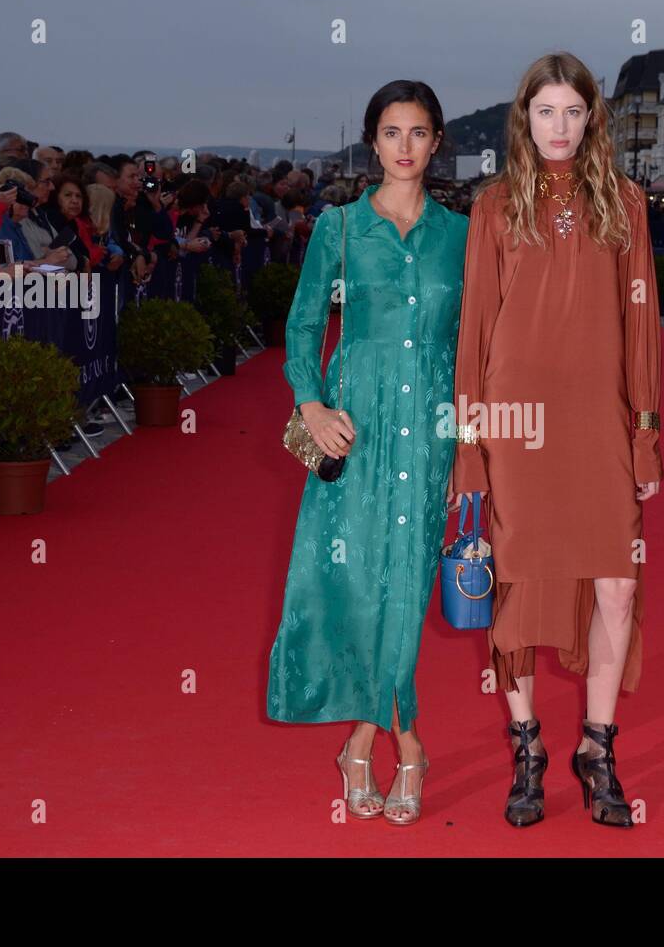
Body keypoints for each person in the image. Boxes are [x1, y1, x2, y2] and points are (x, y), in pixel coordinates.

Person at [452, 52, 663, 829]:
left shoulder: (628, 206)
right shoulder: (495, 207)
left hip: (599, 421)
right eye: (547, 112)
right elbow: (474, 331)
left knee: (618, 585)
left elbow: (641, 332)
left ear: (592, 118)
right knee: (516, 589)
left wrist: (645, 436)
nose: (561, 126)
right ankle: (529, 748)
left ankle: (598, 748)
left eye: (574, 112)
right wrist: (468, 444)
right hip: (514, 421)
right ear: (525, 118)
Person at [266, 80, 469, 826]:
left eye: (419, 132)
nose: (405, 146)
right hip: (354, 432)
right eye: (391, 132)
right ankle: (395, 741)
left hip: (433, 429)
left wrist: (471, 445)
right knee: (354, 586)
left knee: (408, 588)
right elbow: (300, 327)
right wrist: (311, 404)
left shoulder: (462, 234)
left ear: (437, 140)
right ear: (372, 141)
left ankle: (380, 741)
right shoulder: (339, 229)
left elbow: (476, 349)